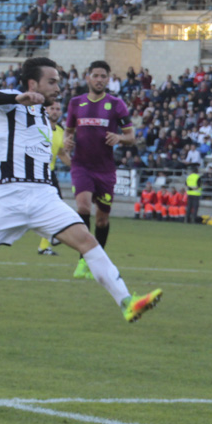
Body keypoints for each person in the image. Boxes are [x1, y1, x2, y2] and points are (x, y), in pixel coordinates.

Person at [0, 57, 161, 323]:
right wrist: (17, 99)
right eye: (52, 82)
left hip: (43, 196)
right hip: (8, 197)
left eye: (58, 82)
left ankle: (127, 302)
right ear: (33, 83)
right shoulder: (11, 101)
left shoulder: (46, 118)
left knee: (87, 242)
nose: (58, 87)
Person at [64, 60, 135, 279]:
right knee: (83, 207)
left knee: (102, 219)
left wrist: (120, 138)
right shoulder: (76, 103)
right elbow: (68, 132)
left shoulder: (116, 104)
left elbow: (131, 137)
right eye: (95, 75)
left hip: (105, 170)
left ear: (108, 79)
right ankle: (83, 259)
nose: (99, 80)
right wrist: (68, 142)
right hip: (81, 165)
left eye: (103, 76)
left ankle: (97, 258)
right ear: (88, 78)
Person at [36, 98, 72, 255]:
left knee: (56, 205)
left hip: (49, 174)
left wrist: (76, 167)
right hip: (35, 173)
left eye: (58, 109)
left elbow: (62, 153)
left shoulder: (60, 131)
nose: (55, 111)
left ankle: (46, 243)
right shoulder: (37, 127)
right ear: (45, 110)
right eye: (52, 108)